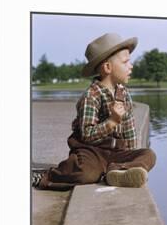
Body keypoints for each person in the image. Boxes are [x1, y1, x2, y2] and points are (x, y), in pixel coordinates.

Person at [33, 33, 156, 190]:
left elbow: (130, 128)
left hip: (116, 153)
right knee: (86, 174)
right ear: (107, 68)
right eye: (125, 62)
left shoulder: (123, 93)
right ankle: (48, 176)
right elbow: (87, 134)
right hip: (92, 151)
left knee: (148, 154)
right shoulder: (91, 96)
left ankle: (119, 172)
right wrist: (111, 122)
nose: (131, 66)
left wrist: (131, 156)